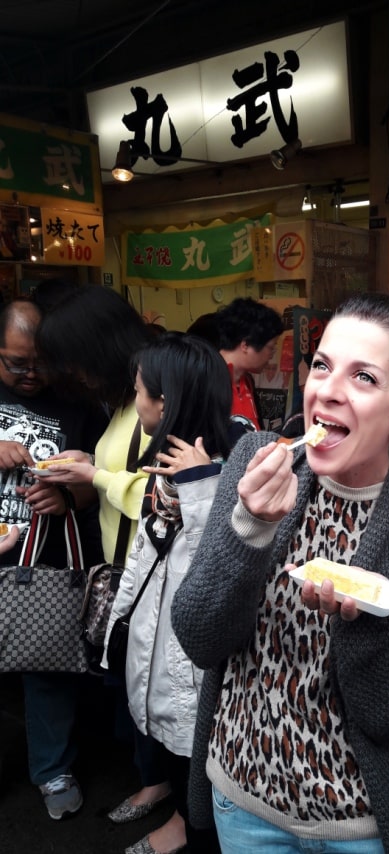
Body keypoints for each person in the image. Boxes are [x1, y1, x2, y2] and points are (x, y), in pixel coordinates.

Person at [172, 292, 389, 853]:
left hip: (361, 825)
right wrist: (248, 528)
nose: (327, 392)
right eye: (322, 365)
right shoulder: (256, 460)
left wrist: (366, 623)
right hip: (241, 800)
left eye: (364, 377)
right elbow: (199, 637)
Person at [34, 285, 175, 831]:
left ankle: (170, 797)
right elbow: (125, 469)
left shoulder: (156, 394)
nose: (73, 374)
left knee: (152, 693)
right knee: (133, 690)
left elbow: (167, 495)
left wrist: (94, 475)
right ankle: (154, 780)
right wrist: (88, 460)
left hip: (152, 578)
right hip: (127, 573)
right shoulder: (123, 397)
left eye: (75, 360)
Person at [103, 332, 232, 854]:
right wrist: (119, 623)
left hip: (193, 653)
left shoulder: (228, 470)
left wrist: (200, 487)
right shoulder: (169, 467)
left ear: (164, 401)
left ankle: (187, 824)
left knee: (192, 748)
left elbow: (220, 573)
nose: (135, 401)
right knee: (167, 735)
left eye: (138, 390)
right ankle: (172, 802)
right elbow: (145, 559)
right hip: (157, 639)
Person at [0, 298, 108, 820]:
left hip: (44, 563)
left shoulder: (77, 403)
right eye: (15, 362)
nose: (29, 373)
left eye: (39, 361)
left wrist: (68, 499)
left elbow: (98, 485)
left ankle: (52, 769)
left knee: (46, 668)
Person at [187, 297, 283, 430]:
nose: (272, 354)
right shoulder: (202, 380)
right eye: (271, 347)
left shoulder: (247, 381)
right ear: (246, 344)